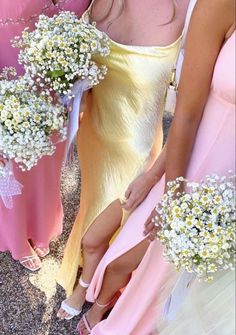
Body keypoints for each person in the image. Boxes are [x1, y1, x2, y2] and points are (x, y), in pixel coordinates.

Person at [76, 0, 235, 333]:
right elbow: (188, 115)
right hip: (189, 170)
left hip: (230, 197)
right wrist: (165, 187)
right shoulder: (222, 5)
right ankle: (105, 312)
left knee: (190, 293)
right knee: (131, 258)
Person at [57, 0, 190, 320]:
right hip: (94, 135)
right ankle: (91, 269)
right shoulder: (99, 2)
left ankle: (89, 286)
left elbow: (192, 107)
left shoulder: (193, 9)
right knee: (93, 205)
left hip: (138, 150)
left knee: (114, 216)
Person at [0, 0, 90, 271]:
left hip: (55, 88)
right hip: (10, 85)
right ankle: (15, 237)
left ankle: (40, 224)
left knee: (46, 167)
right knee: (11, 168)